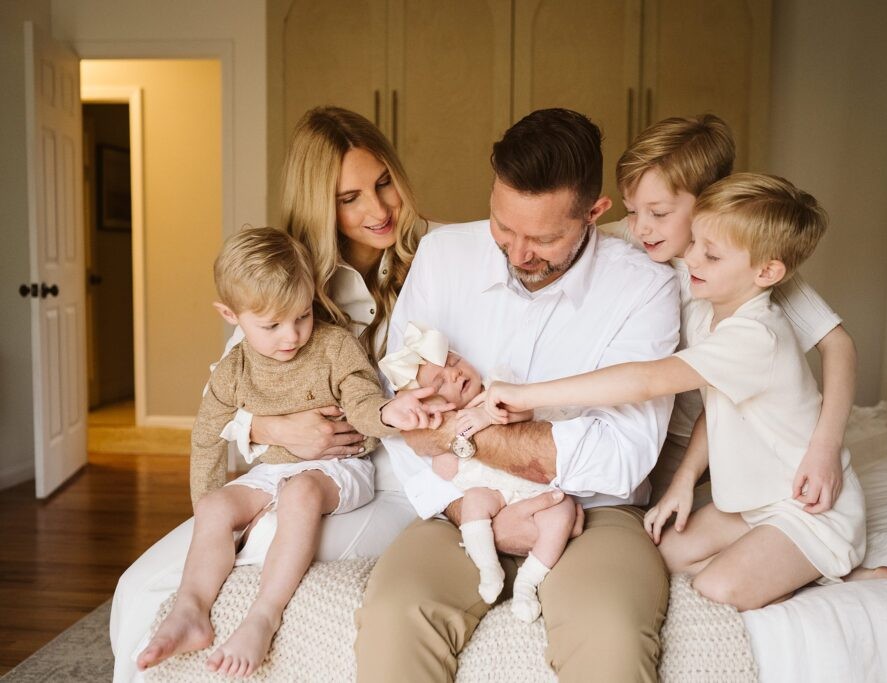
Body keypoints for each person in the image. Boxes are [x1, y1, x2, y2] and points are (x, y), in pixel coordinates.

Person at [110, 107, 435, 682]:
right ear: (319, 204)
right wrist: (271, 428)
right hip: (280, 468)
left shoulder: (436, 264)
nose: (378, 209)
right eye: (350, 196)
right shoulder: (283, 284)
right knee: (136, 586)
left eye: (384, 183)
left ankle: (256, 620)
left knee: (263, 546)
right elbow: (227, 404)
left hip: (385, 477)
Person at [354, 108, 680, 682]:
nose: (519, 253)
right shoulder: (441, 257)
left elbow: (623, 454)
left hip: (594, 515)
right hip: (457, 504)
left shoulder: (645, 288)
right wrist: (466, 506)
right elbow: (399, 416)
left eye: (545, 237)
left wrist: (459, 432)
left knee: (611, 635)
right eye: (504, 227)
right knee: (392, 616)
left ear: (596, 213)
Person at [483, 173, 867, 610]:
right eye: (694, 244)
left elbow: (644, 380)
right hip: (751, 504)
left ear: (767, 271)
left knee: (717, 587)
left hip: (808, 510)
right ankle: (775, 558)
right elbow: (718, 407)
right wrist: (683, 482)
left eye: (711, 255)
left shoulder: (756, 335)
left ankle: (834, 568)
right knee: (656, 558)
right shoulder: (713, 313)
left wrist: (527, 395)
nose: (692, 260)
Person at [137, 228, 446, 676]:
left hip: (341, 467)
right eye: (272, 325)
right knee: (216, 504)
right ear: (231, 315)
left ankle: (264, 614)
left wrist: (390, 414)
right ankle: (190, 610)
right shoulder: (233, 370)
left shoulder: (334, 345)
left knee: (301, 492)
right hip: (273, 470)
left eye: (302, 315)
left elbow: (361, 402)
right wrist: (205, 511)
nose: (292, 335)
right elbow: (206, 435)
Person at [602, 115, 858, 510]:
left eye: (659, 212)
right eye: (632, 210)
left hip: (714, 442)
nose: (641, 228)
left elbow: (837, 345)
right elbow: (568, 237)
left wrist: (825, 447)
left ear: (708, 199)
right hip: (658, 431)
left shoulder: (748, 268)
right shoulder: (627, 237)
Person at [377, 322, 577, 622]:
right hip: (493, 493)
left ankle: (528, 581)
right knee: (474, 502)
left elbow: (525, 410)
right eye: (440, 382)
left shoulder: (497, 388)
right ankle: (488, 567)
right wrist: (442, 435)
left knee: (562, 511)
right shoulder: (445, 426)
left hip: (534, 487)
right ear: (431, 403)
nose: (454, 373)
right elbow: (446, 472)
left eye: (454, 361)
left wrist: (486, 414)